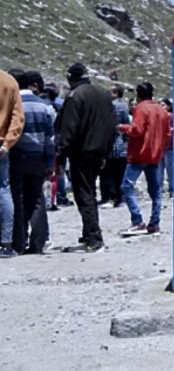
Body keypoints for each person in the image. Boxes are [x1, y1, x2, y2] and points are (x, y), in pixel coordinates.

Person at [58, 63, 115, 252]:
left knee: (84, 194)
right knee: (90, 191)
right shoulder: (103, 94)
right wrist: (106, 150)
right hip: (100, 150)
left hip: (82, 151)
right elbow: (112, 125)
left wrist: (60, 155)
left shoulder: (75, 96)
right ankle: (88, 232)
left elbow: (68, 129)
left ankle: (93, 237)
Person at [9, 71, 55, 254]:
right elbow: (50, 139)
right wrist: (50, 161)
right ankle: (38, 242)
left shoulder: (13, 103)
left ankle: (18, 242)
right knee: (37, 199)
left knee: (17, 198)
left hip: (17, 156)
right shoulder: (45, 107)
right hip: (38, 157)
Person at [120, 82, 170, 235]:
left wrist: (123, 128)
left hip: (139, 154)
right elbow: (167, 134)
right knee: (155, 191)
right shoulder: (162, 110)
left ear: (138, 94)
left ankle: (137, 220)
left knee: (127, 187)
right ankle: (154, 222)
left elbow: (137, 130)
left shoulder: (140, 109)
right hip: (155, 155)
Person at [0, 69, 26, 258]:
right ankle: (6, 243)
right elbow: (18, 118)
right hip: (1, 144)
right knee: (3, 191)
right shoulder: (9, 81)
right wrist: (8, 143)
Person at [99, 85, 130, 208]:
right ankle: (120, 198)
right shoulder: (124, 106)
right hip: (121, 146)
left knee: (107, 174)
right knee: (120, 175)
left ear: (116, 93)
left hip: (109, 146)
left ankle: (109, 198)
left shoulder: (112, 106)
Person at [158, 98, 174, 197]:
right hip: (160, 147)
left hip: (169, 147)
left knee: (170, 170)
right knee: (159, 170)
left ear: (168, 107)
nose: (161, 107)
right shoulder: (158, 117)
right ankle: (159, 190)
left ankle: (172, 190)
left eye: (163, 105)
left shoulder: (171, 117)